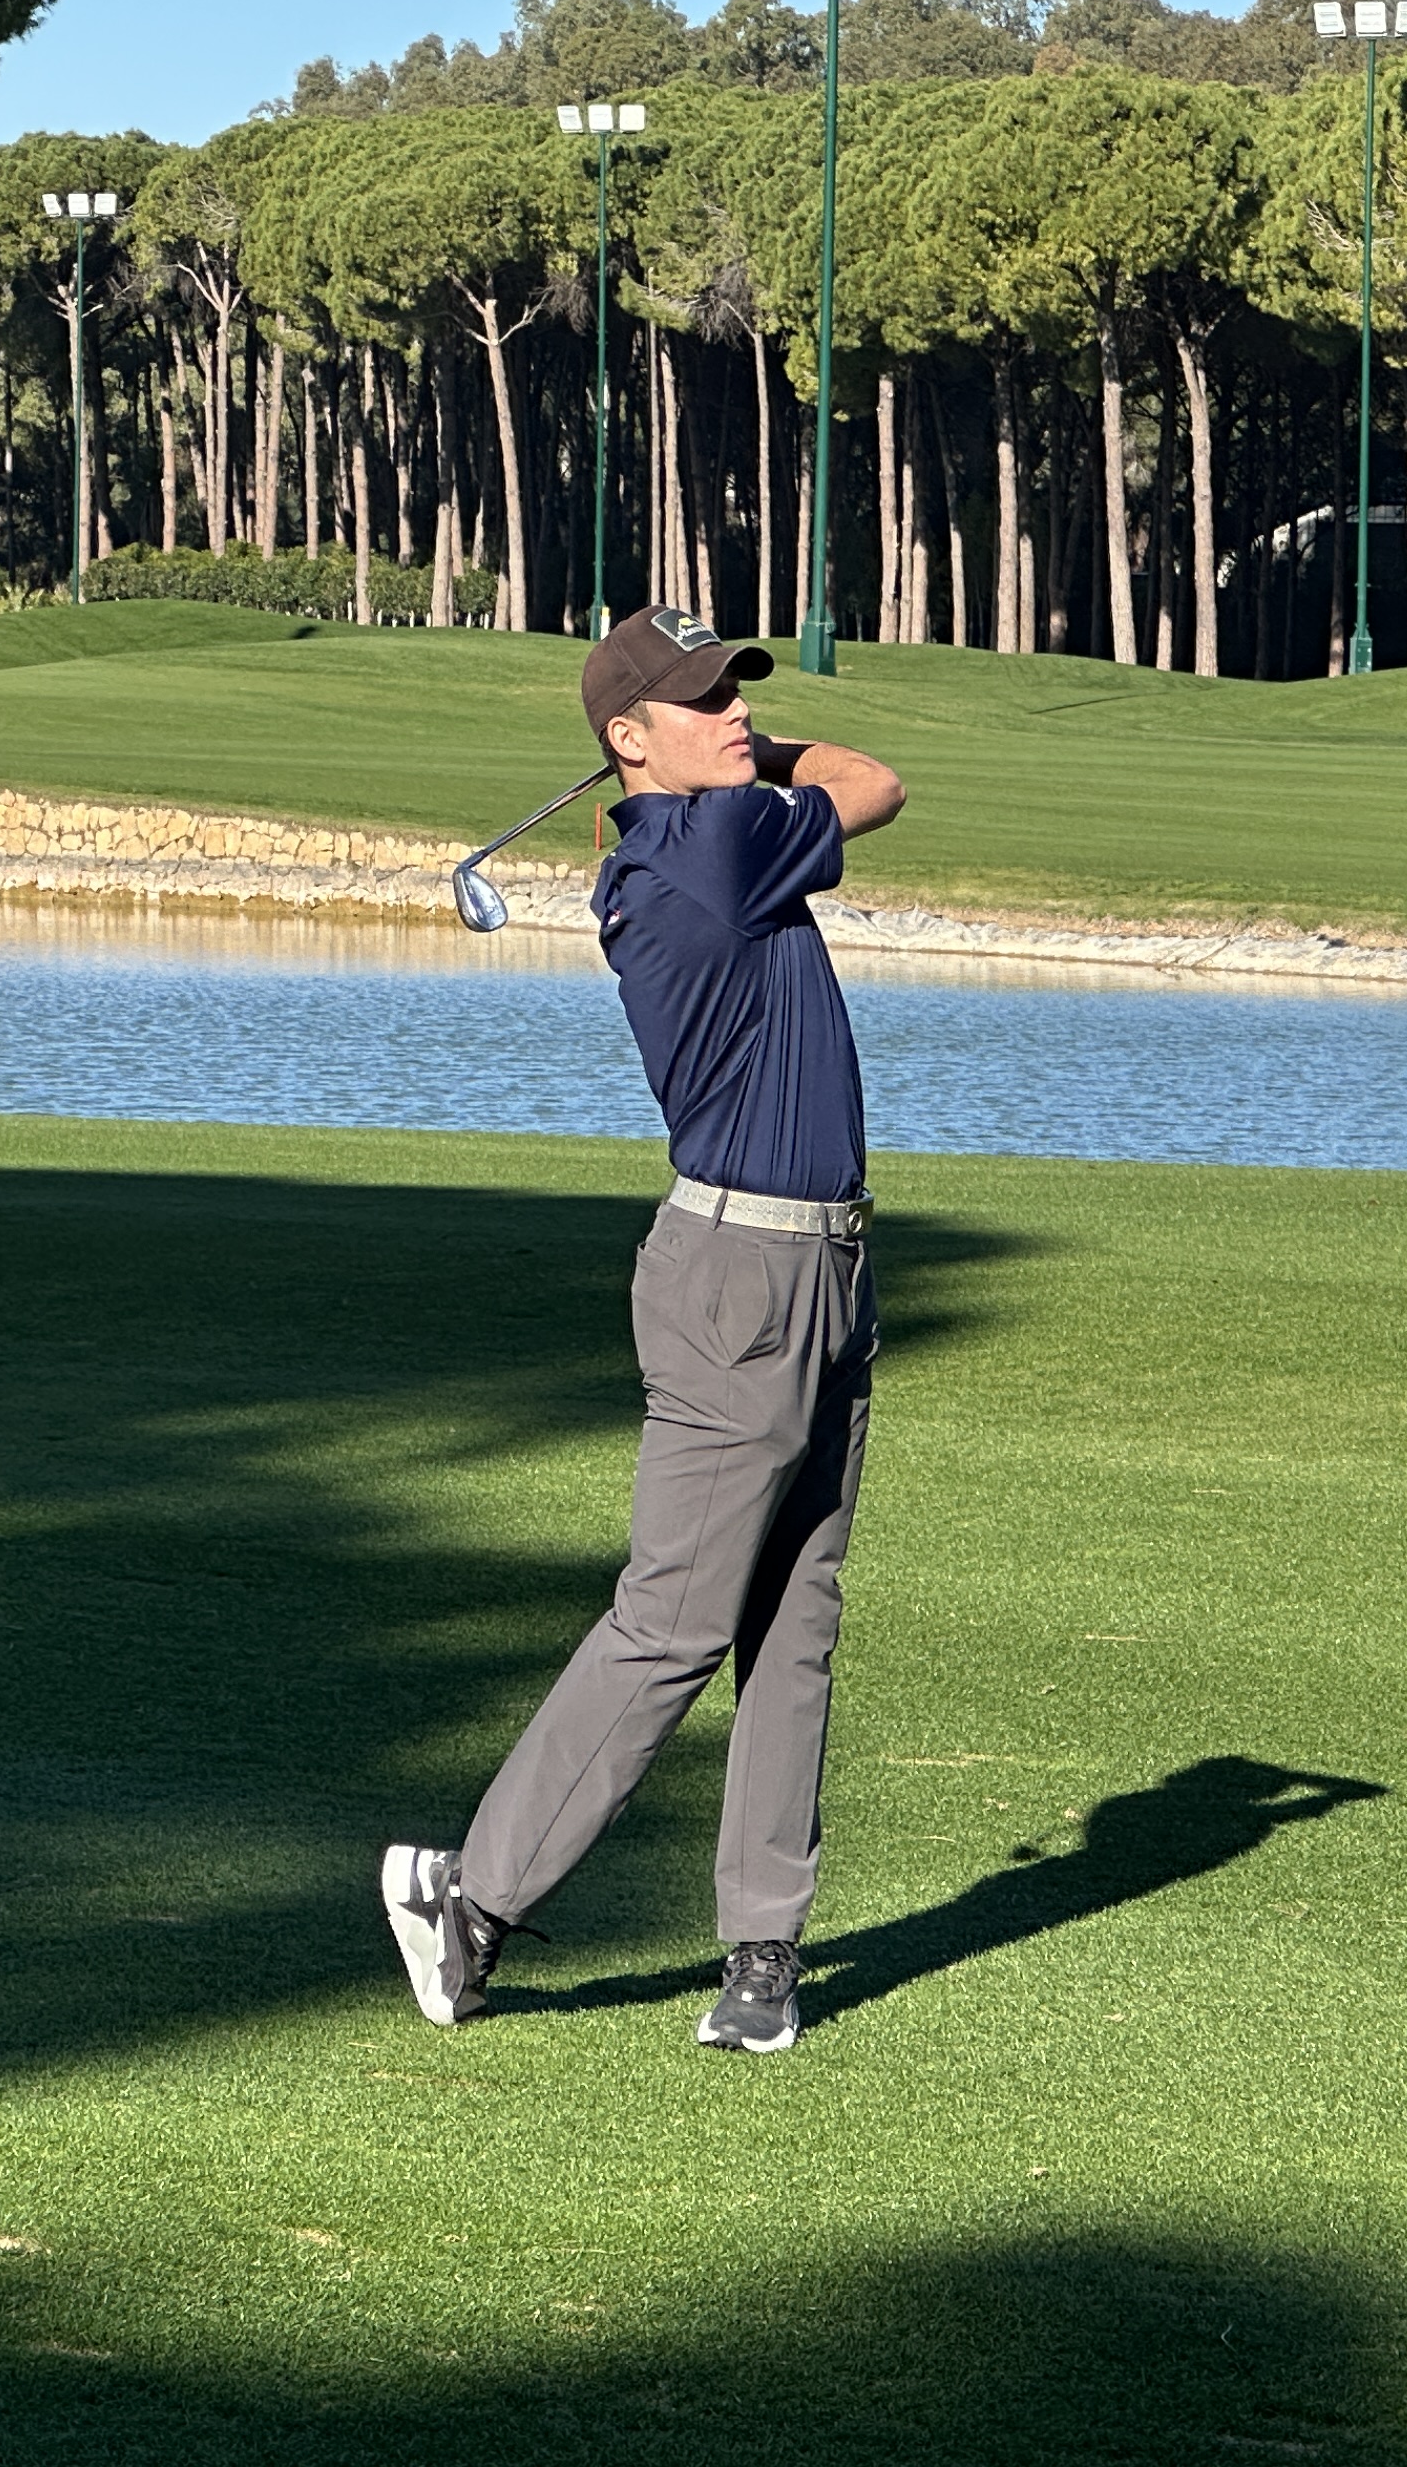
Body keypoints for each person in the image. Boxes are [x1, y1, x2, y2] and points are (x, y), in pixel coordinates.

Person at [381, 606, 903, 2053]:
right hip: (740, 1278)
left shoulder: (699, 832)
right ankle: (474, 1898)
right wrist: (763, 763)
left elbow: (828, 782)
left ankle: (763, 1954)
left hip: (826, 1264)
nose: (735, 713)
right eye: (704, 700)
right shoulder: (710, 846)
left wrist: (720, 757)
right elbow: (873, 780)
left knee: (794, 1619)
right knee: (676, 1623)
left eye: (739, 692)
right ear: (628, 737)